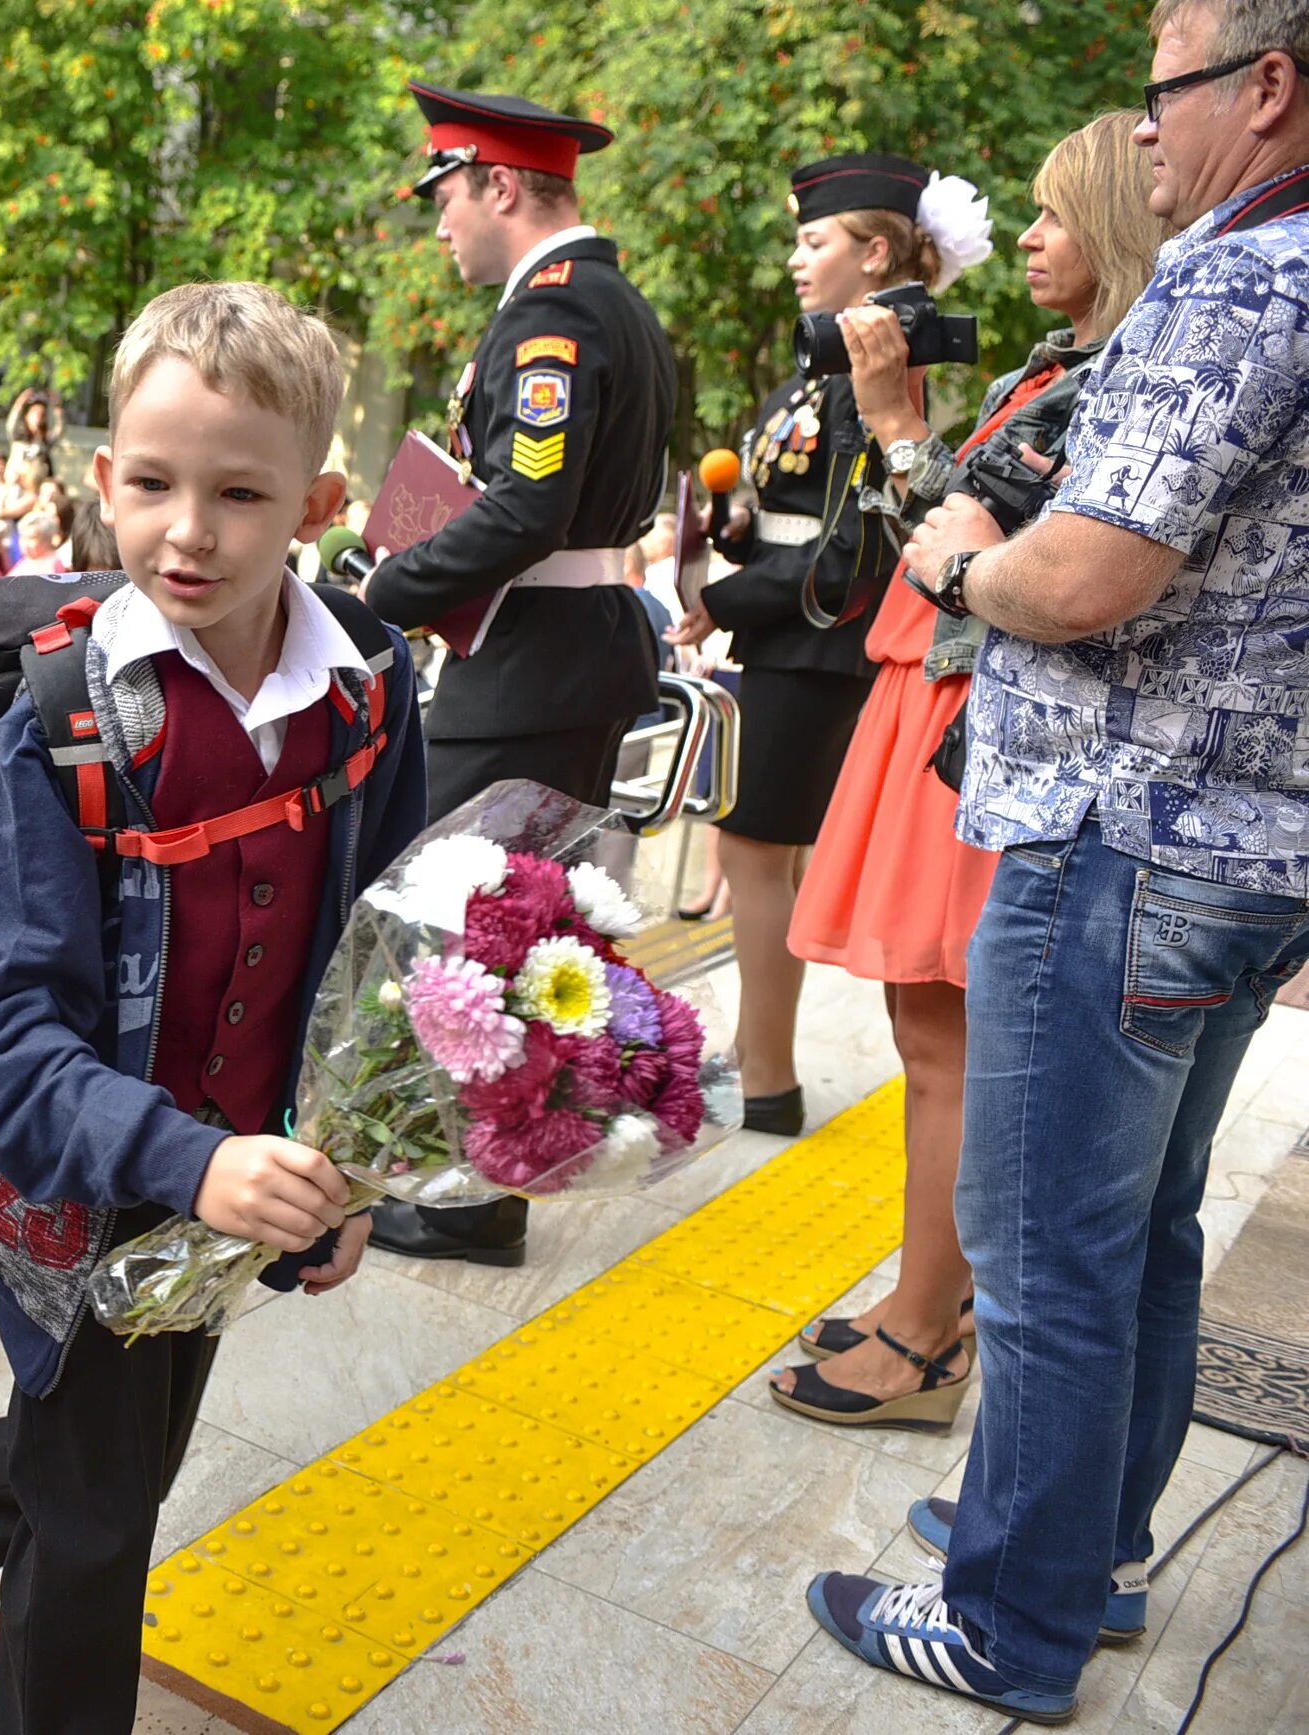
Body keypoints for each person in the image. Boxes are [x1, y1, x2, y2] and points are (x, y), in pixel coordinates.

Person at [806, 9, 1309, 1721]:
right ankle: (1081, 1555)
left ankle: (1006, 1623)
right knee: (1141, 1232)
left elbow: (1080, 575)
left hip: (1117, 839)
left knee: (1040, 1260)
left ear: (1263, 87)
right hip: (1235, 847)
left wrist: (956, 561)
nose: (1143, 129)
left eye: (1166, 83)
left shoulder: (1237, 281)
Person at [0, 283, 422, 1727]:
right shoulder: (54, 726)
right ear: (101, 477)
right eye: (154, 484)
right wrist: (196, 1158)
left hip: (241, 1173)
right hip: (80, 1177)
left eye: (240, 492)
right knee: (100, 1519)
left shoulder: (365, 684)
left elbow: (377, 945)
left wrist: (341, 1162)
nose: (189, 530)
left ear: (317, 499)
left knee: (106, 1459)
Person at [773, 111, 1164, 1435]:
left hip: (971, 712)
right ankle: (915, 1296)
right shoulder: (1062, 363)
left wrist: (889, 418)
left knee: (943, 1041)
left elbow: (972, 547)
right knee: (922, 1031)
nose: (1029, 236)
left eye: (1056, 212)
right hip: (931, 698)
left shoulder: (1106, 377)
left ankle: (923, 1331)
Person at [360, 84, 674, 1266]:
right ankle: (479, 1178)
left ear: (498, 185)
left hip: (531, 661)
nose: (435, 220)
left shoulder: (553, 315)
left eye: (444, 192)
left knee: (460, 927)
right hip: (559, 650)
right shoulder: (604, 302)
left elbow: (527, 503)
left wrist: (377, 591)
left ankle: (463, 1193)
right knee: (515, 924)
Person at [673, 153, 988, 1137]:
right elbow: (799, 514)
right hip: (791, 636)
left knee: (753, 847)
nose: (796, 259)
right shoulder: (836, 359)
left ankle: (761, 1075)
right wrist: (725, 528)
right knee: (762, 849)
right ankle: (753, 1060)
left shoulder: (876, 360)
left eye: (815, 241)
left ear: (877, 251)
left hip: (814, 643)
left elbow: (847, 558)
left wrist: (724, 597)